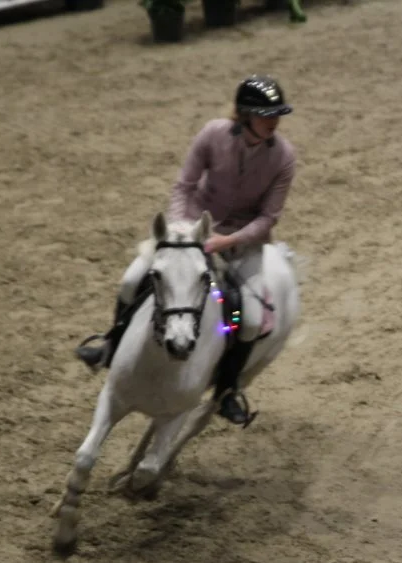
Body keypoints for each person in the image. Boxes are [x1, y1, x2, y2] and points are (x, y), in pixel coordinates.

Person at [74, 74, 298, 426]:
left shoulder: (283, 156)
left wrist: (229, 240)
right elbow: (184, 186)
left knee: (246, 318)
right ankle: (111, 343)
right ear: (244, 115)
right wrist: (181, 228)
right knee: (133, 278)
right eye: (265, 115)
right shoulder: (213, 134)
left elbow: (268, 217)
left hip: (242, 243)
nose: (274, 122)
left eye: (276, 116)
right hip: (191, 230)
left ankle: (226, 388)